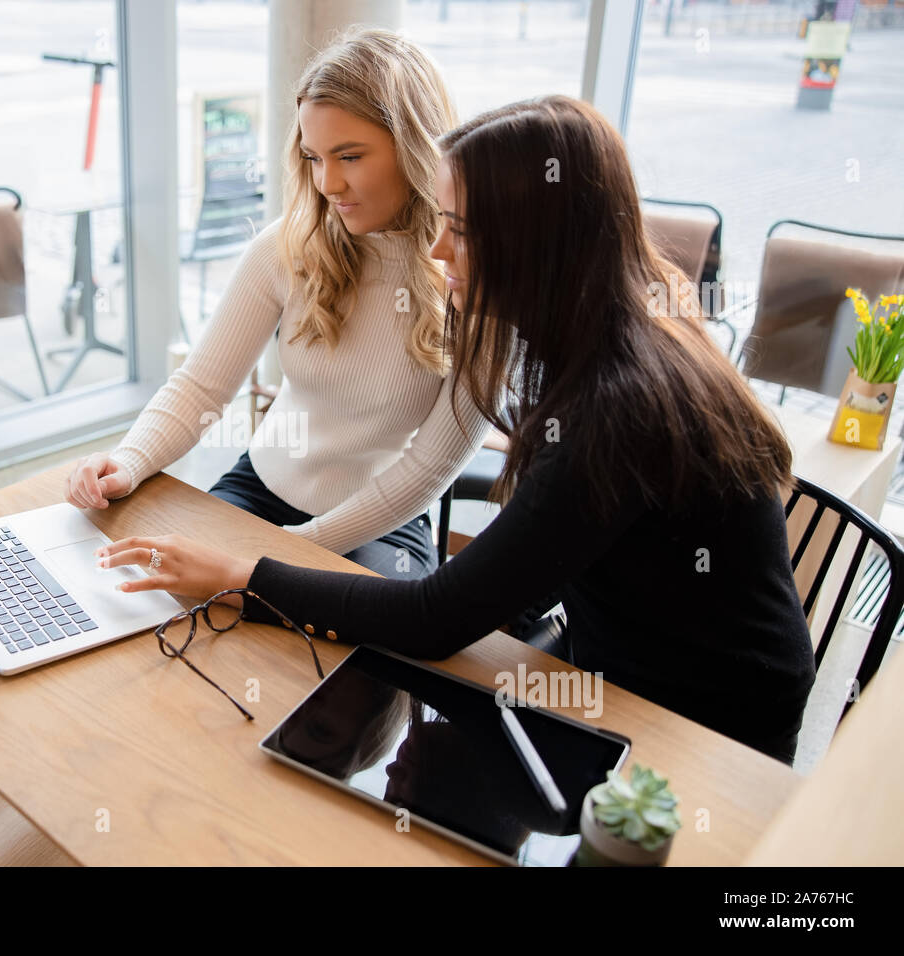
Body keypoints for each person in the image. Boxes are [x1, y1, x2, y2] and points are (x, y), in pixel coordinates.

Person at [95, 95, 817, 766]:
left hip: (704, 728)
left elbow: (436, 618)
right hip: (613, 654)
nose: (438, 252)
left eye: (463, 232)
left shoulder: (616, 409)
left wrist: (242, 575)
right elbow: (531, 562)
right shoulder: (612, 335)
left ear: (539, 246)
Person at [64, 28, 490, 580]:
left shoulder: (473, 279)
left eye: (350, 156)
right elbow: (201, 387)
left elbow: (429, 468)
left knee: (350, 657)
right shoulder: (286, 247)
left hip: (383, 518)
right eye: (314, 157)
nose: (329, 183)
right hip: (261, 487)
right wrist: (127, 460)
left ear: (416, 149)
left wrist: (276, 558)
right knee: (158, 599)